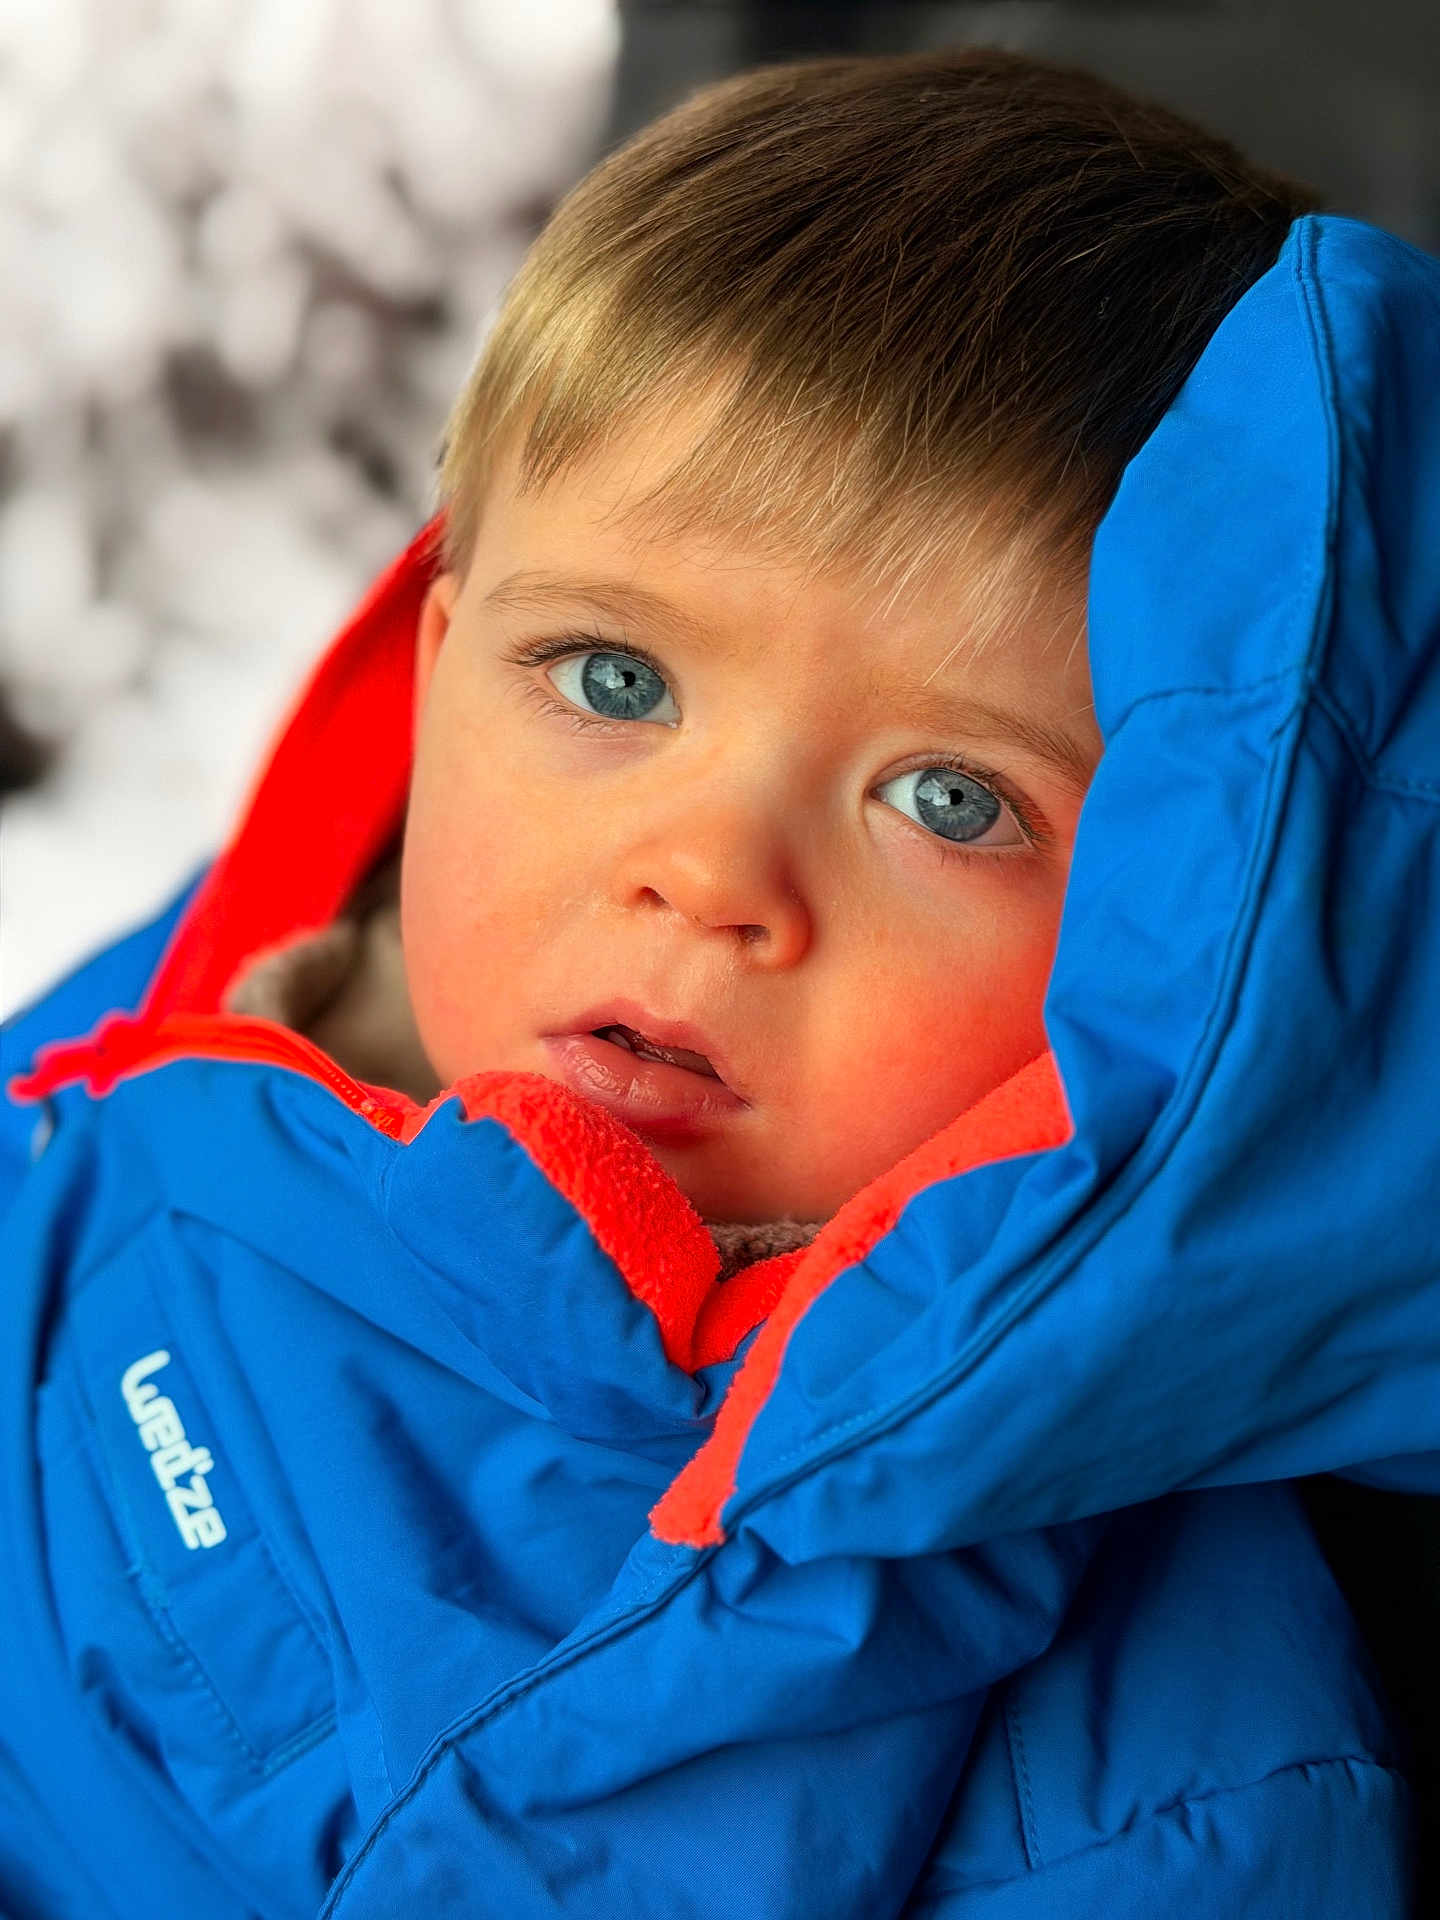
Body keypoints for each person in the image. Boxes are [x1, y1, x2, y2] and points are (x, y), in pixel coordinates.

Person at [1, 46, 1432, 1918]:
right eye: (612, 680)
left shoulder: (1164, 1785)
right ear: (440, 671)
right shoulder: (204, 1023)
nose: (710, 874)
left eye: (948, 798)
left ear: (1187, 954)